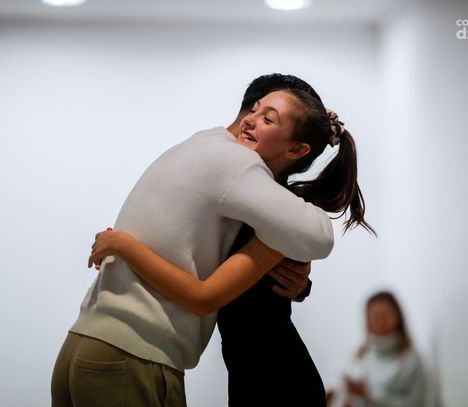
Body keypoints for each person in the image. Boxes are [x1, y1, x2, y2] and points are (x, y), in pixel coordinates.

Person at [51, 75, 335, 407]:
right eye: (256, 111)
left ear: (297, 147)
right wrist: (122, 244)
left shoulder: (202, 145)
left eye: (268, 118)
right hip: (132, 356)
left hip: (85, 344)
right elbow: (318, 235)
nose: (252, 121)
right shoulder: (239, 166)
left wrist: (300, 283)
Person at [326, 291, 426, 407]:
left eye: (385, 315)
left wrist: (368, 394)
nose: (380, 321)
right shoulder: (362, 353)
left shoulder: (412, 360)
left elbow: (416, 404)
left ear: (398, 316)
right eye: (375, 316)